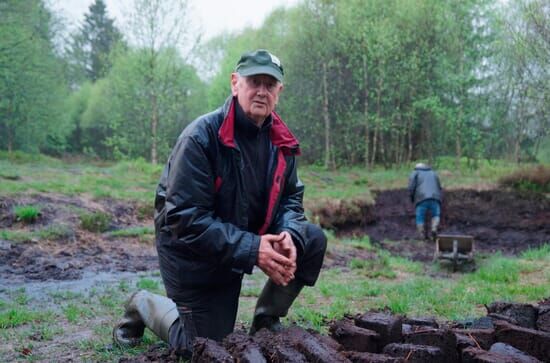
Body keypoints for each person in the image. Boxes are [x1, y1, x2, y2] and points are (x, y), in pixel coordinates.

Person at [112, 49, 327, 357]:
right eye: (255, 81)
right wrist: (253, 249)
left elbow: (292, 198)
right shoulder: (201, 137)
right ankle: (143, 303)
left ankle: (266, 322)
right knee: (203, 347)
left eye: (270, 84)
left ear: (279, 91)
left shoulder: (281, 140)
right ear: (235, 83)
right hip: (191, 249)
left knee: (312, 239)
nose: (262, 91)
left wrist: (288, 234)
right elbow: (185, 219)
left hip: (240, 236)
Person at [408, 162, 442, 240]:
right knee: (436, 214)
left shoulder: (415, 173)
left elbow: (411, 187)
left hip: (421, 197)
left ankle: (421, 235)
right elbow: (439, 186)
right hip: (435, 197)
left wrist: (412, 198)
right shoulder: (433, 173)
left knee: (420, 216)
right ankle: (434, 228)